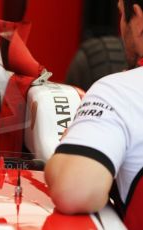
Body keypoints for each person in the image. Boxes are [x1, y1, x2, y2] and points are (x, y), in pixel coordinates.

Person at [45, 0, 143, 228]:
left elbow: (74, 189)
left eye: (121, 14)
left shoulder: (119, 91)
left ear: (137, 18)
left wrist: (64, 152)